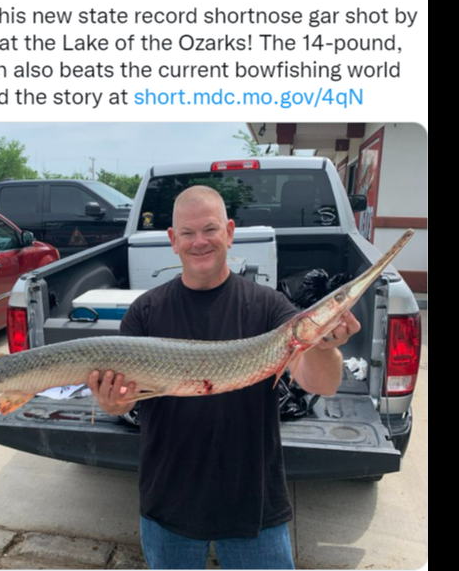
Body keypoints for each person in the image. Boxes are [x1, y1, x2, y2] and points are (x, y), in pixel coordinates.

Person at [87, 185, 360, 569]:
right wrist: (111, 401)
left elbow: (322, 384)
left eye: (210, 229)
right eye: (188, 232)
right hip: (168, 500)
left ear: (229, 232)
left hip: (254, 503)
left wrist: (321, 345)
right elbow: (125, 400)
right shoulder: (145, 311)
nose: (200, 242)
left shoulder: (269, 307)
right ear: (173, 240)